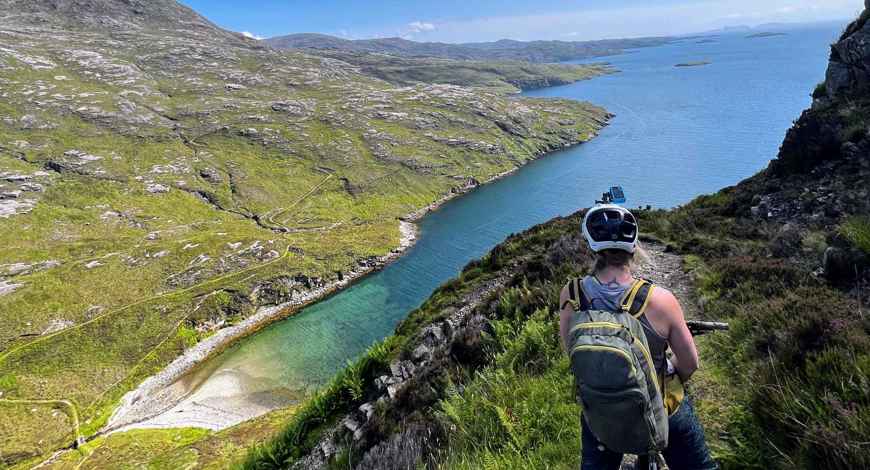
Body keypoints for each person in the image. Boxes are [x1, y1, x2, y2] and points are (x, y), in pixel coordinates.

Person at [559, 205, 717, 470]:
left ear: (591, 246)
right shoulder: (661, 301)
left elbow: (571, 353)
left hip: (601, 412)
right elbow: (690, 363)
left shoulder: (571, 295)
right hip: (663, 408)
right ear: (634, 247)